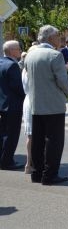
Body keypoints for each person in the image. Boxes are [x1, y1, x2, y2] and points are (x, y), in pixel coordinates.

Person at [25, 25, 68, 185]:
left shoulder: (30, 55)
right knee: (54, 141)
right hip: (53, 105)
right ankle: (50, 175)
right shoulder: (55, 55)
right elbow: (63, 81)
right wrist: (66, 93)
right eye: (57, 35)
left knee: (37, 140)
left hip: (36, 104)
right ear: (50, 38)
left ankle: (37, 173)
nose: (59, 38)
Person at [0, 40, 26, 170]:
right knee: (11, 135)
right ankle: (7, 161)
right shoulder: (13, 65)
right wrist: (26, 96)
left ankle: (2, 158)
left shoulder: (1, 62)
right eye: (18, 48)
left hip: (2, 104)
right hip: (12, 106)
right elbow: (17, 87)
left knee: (2, 134)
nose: (20, 51)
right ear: (11, 51)